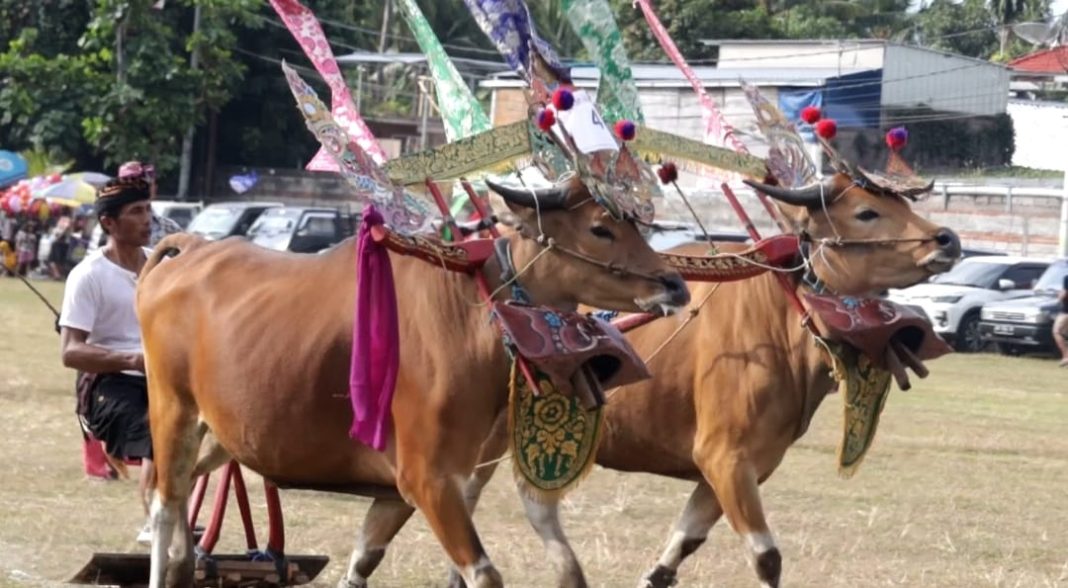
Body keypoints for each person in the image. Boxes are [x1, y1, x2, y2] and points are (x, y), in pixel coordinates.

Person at [59, 176, 155, 542]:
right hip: (109, 384)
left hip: (163, 379)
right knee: (159, 436)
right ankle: (157, 521)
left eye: (148, 209)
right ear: (108, 223)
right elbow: (71, 351)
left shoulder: (163, 267)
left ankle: (171, 515)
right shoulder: (88, 275)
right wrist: (133, 360)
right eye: (136, 211)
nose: (147, 219)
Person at [117, 160, 182, 247]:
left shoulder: (169, 228)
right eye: (133, 185)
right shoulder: (111, 226)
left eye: (147, 185)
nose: (140, 190)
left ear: (154, 189)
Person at [1055, 272, 1068, 367]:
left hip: (1066, 311)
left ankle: (1066, 356)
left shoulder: (1067, 278)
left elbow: (1065, 293)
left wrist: (1058, 299)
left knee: (1057, 331)